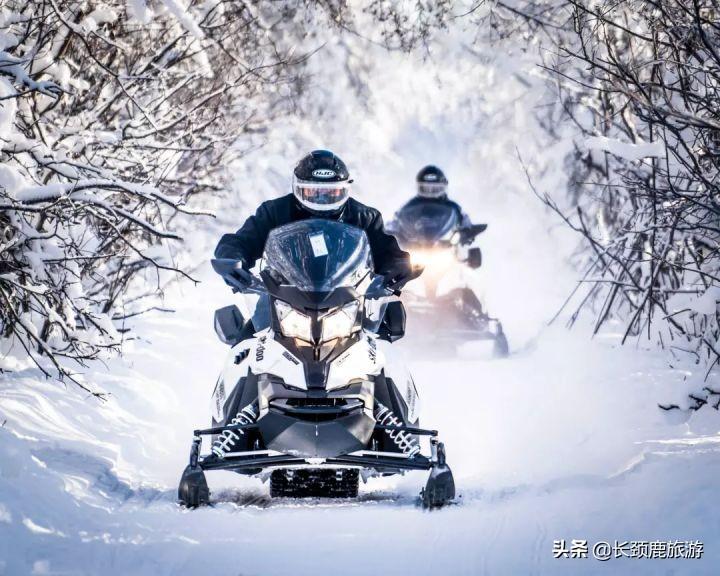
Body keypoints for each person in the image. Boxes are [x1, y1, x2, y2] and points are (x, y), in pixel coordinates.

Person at [215, 149, 415, 291]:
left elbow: (386, 251)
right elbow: (243, 241)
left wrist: (398, 265)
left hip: (347, 298)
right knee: (248, 339)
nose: (322, 199)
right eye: (314, 192)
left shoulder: (364, 217)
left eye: (331, 193)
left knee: (377, 335)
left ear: (344, 190)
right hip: (281, 295)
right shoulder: (275, 212)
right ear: (298, 188)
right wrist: (233, 260)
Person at [394, 165, 481, 268]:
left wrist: (467, 231)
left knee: (462, 263)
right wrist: (392, 233)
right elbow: (396, 222)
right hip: (415, 249)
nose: (430, 192)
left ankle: (463, 281)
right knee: (396, 265)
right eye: (426, 188)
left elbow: (465, 220)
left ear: (443, 187)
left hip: (444, 247)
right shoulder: (409, 207)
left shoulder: (453, 207)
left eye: (435, 189)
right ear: (419, 187)